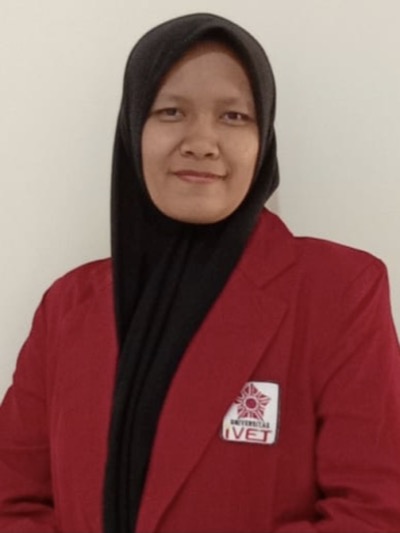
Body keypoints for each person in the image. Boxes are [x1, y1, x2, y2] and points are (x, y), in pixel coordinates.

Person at [0, 12, 400, 533]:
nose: (202, 141)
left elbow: (375, 510)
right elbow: (11, 501)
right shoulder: (67, 306)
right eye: (171, 112)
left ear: (264, 139)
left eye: (234, 116)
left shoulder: (340, 290)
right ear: (133, 129)